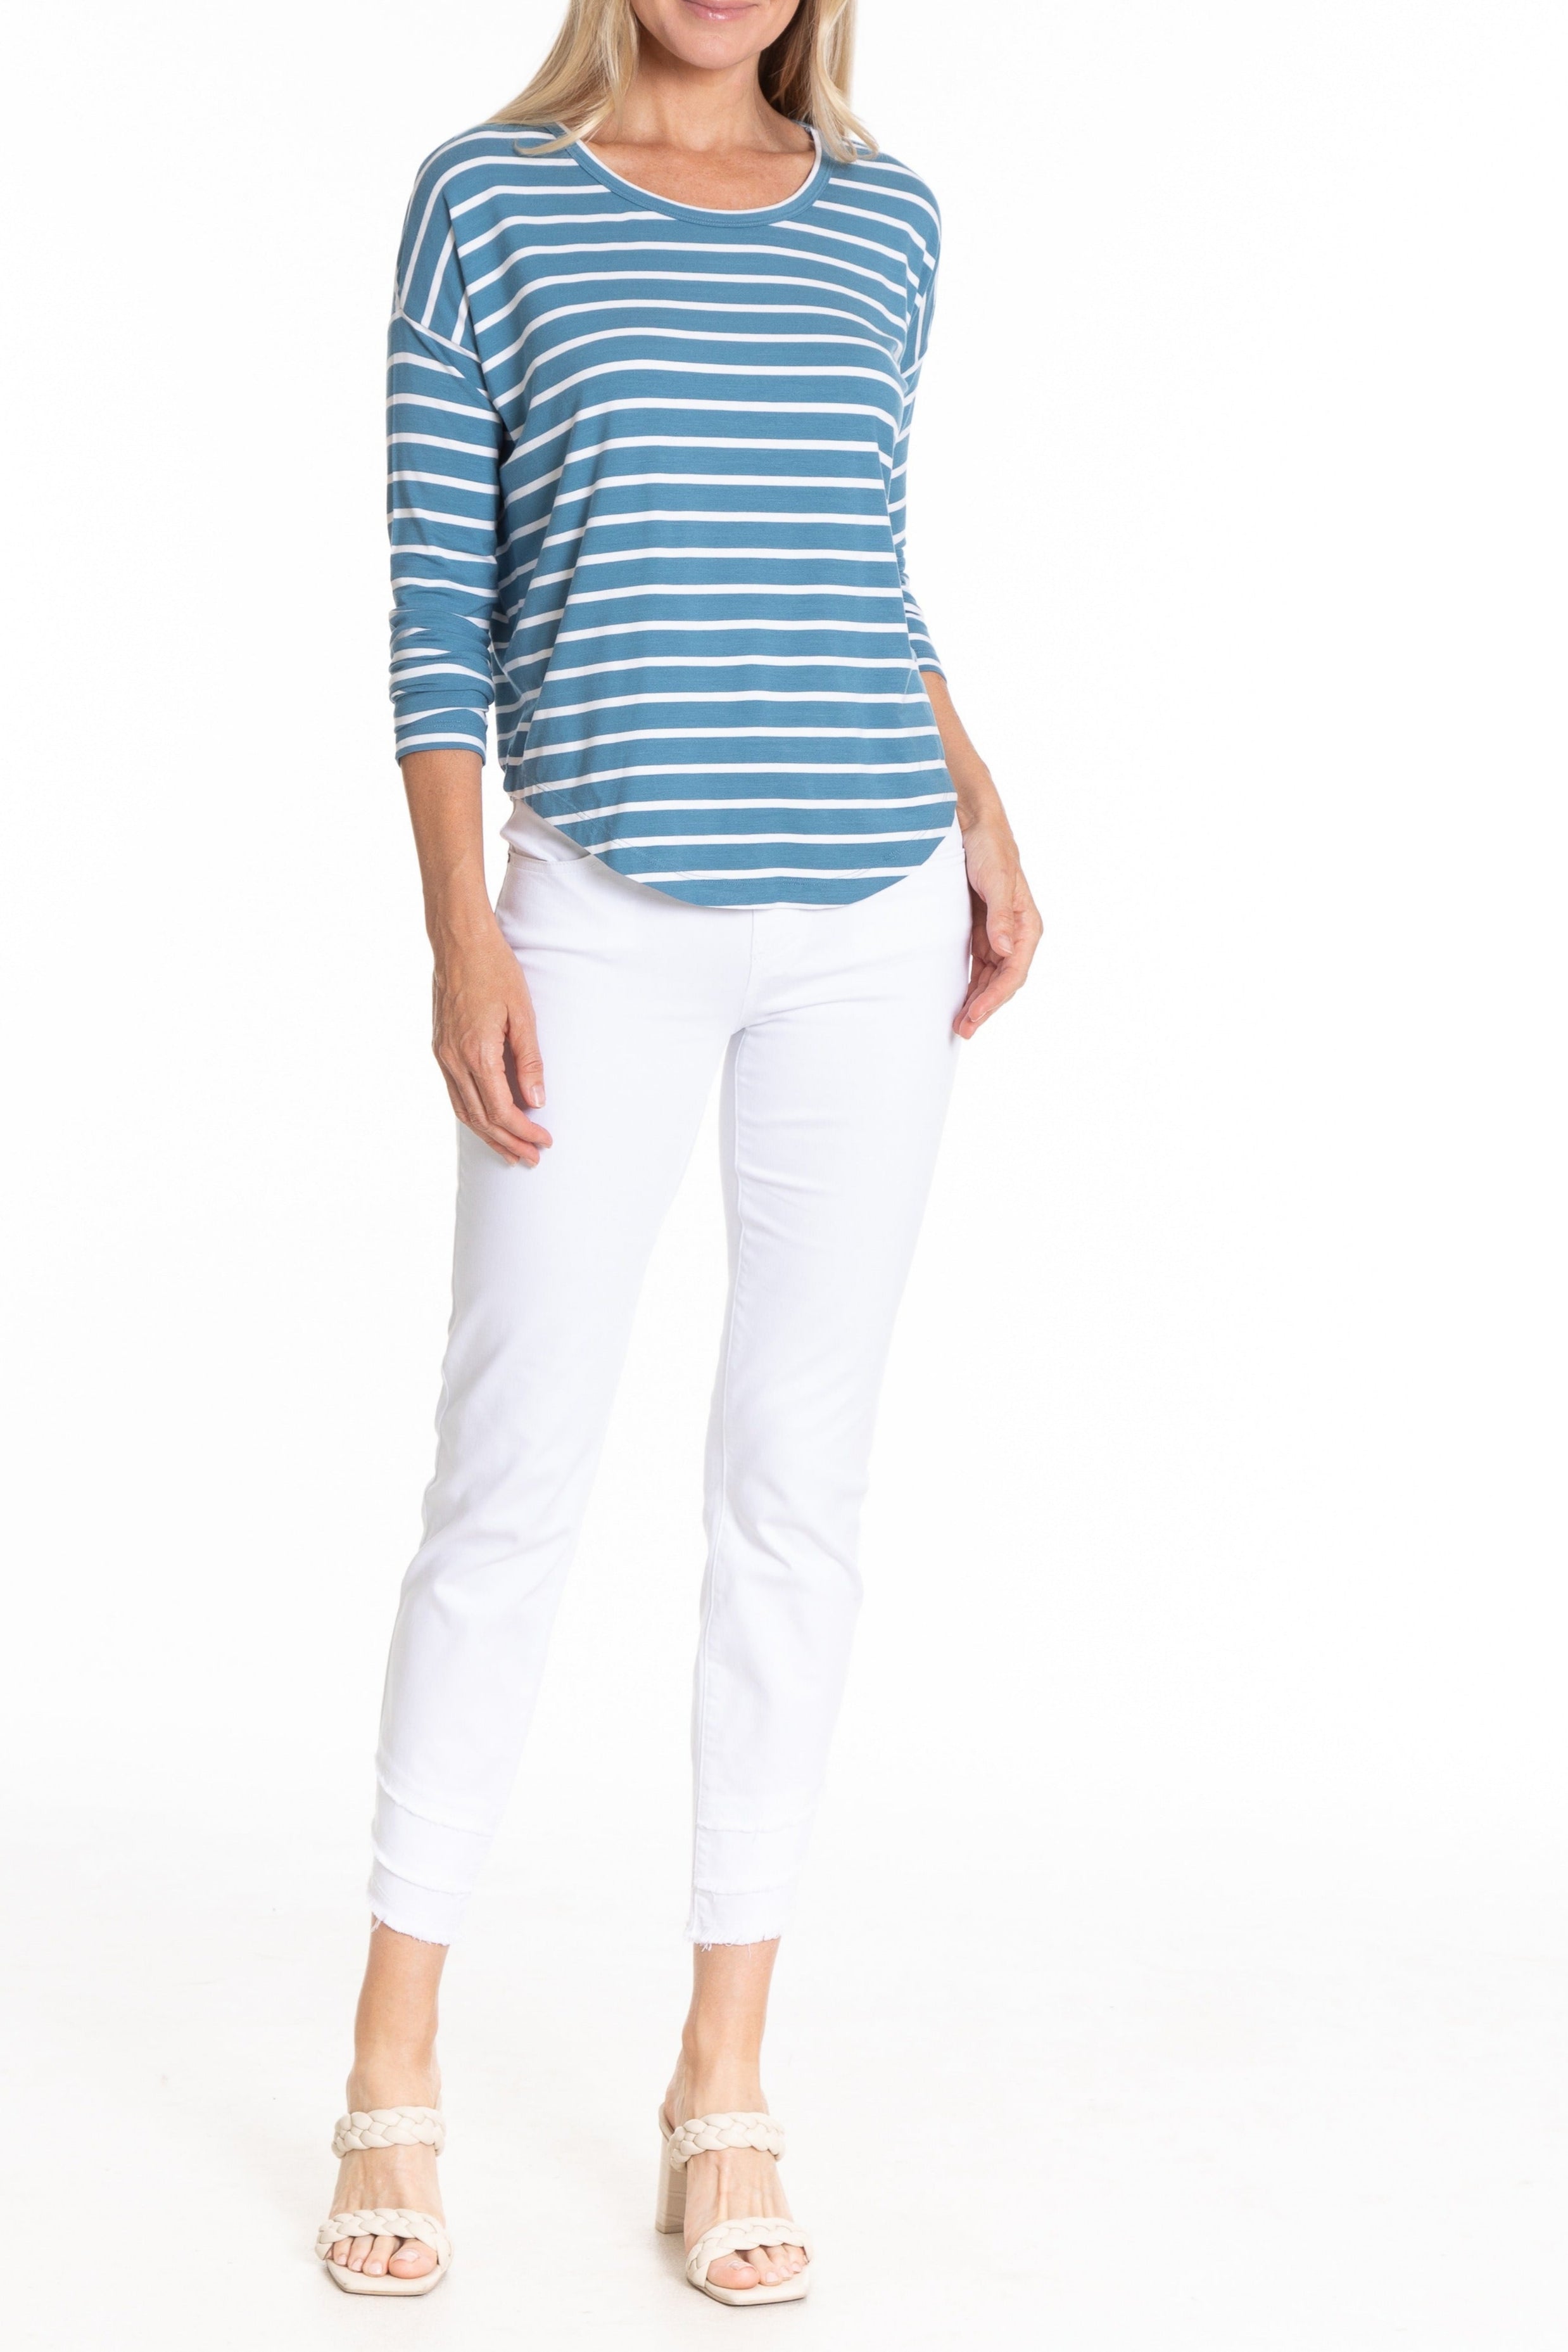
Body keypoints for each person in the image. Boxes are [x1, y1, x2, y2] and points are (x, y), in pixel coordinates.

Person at [317, 0, 1040, 2304]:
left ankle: (723, 2078)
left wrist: (983, 806)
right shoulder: (487, 200)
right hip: (595, 910)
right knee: (509, 1475)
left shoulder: (888, 223)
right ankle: (391, 2056)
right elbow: (437, 606)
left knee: (793, 1487)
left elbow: (857, 562)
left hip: (871, 910)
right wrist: (462, 929)